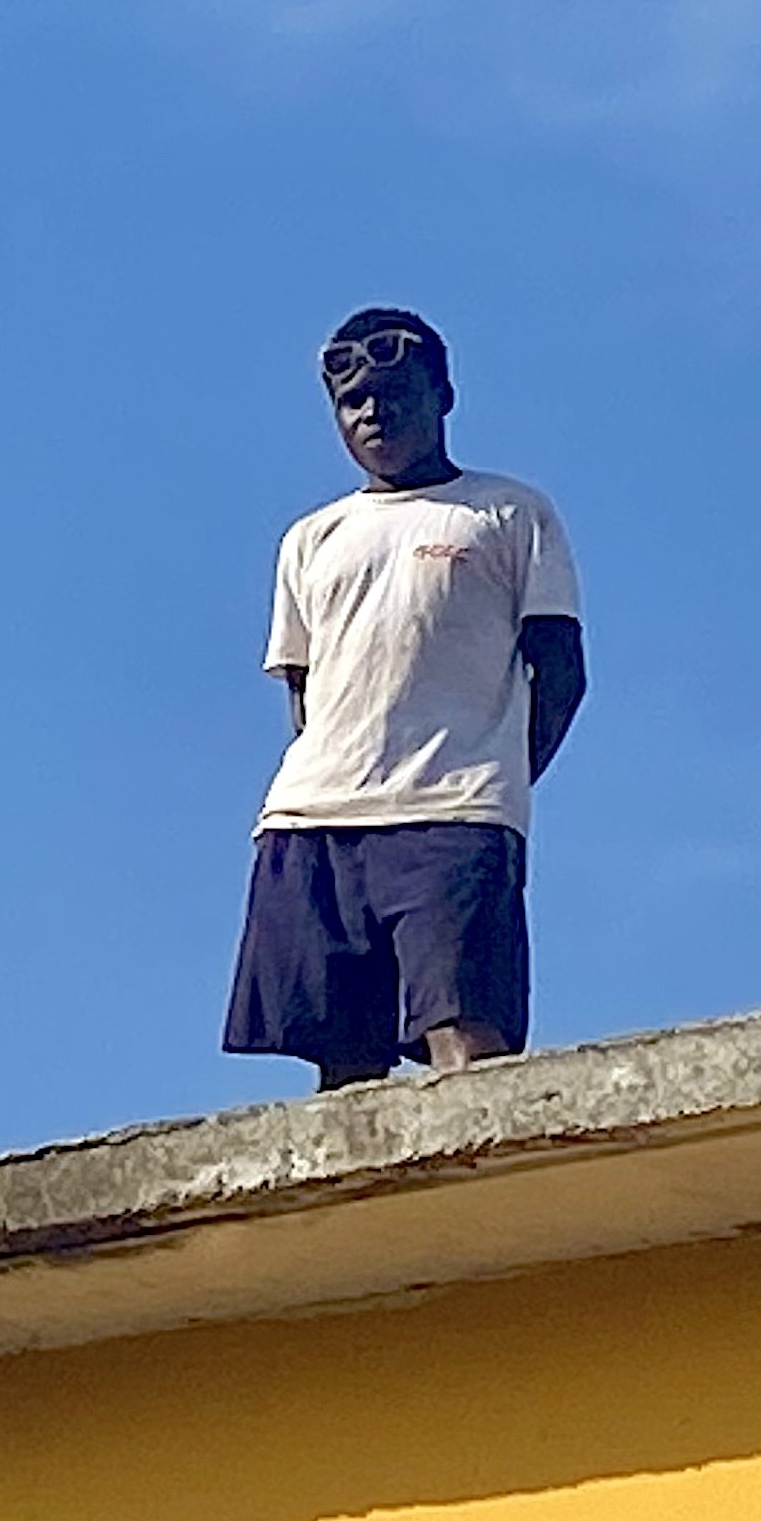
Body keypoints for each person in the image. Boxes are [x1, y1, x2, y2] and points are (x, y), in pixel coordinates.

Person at [226, 308, 586, 1090]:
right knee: (343, 1066)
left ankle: (482, 1204)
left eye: (393, 393)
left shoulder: (508, 512)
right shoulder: (311, 538)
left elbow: (560, 673)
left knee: (465, 1043)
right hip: (314, 819)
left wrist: (492, 775)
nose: (373, 414)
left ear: (442, 394)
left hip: (453, 813)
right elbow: (304, 693)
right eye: (353, 403)